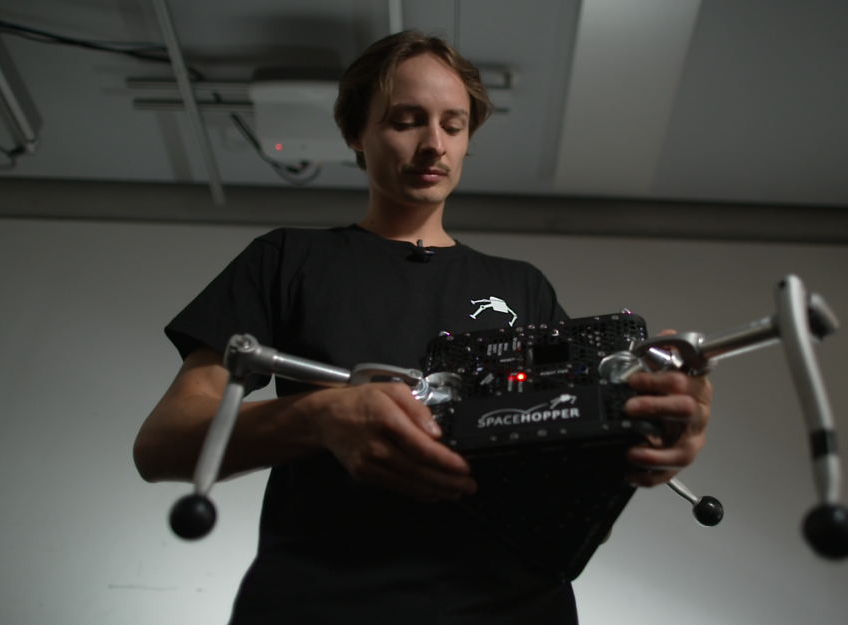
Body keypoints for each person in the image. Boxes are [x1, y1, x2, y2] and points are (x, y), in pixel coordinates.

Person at [133, 30, 712, 625]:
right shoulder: (287, 261)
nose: (434, 144)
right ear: (356, 133)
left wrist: (652, 435)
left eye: (453, 125)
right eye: (407, 120)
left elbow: (572, 460)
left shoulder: (523, 287)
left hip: (512, 605)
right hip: (324, 604)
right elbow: (164, 443)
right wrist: (319, 416)